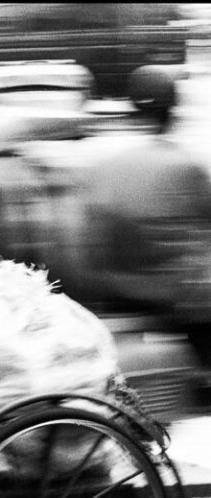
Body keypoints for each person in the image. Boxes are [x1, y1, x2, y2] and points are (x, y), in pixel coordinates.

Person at [77, 65, 211, 368]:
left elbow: (91, 243)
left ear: (132, 109)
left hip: (114, 295)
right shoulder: (188, 166)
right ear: (174, 111)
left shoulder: (102, 166)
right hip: (182, 304)